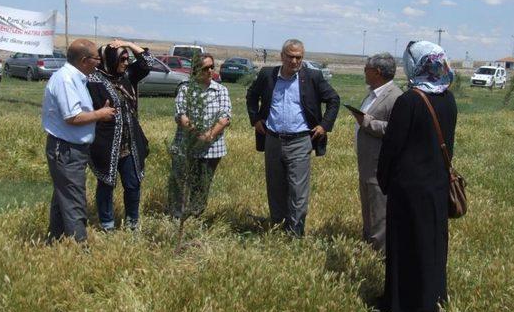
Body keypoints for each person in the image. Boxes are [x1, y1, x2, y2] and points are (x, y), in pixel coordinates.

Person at [376, 40, 457, 312]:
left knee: (404, 247)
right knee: (432, 245)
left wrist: (383, 179)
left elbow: (392, 147)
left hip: (408, 188)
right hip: (436, 186)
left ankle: (400, 307)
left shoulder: (409, 100)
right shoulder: (448, 98)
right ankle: (431, 304)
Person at [246, 39, 340, 236]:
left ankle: (295, 233)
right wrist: (255, 119)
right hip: (273, 139)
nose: (294, 61)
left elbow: (333, 99)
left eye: (299, 57)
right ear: (282, 56)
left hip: (300, 140)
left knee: (298, 190)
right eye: (290, 56)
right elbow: (251, 96)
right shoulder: (267, 75)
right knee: (275, 187)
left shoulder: (313, 77)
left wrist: (324, 126)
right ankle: (278, 228)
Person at [41, 39, 116, 242]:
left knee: (63, 197)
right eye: (96, 59)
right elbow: (72, 117)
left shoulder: (76, 78)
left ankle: (53, 241)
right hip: (66, 150)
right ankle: (79, 248)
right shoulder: (66, 80)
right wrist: (101, 114)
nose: (98, 63)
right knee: (74, 200)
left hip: (72, 149)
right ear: (84, 60)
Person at [87, 40, 154, 231]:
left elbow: (148, 63)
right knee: (106, 185)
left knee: (133, 184)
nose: (126, 62)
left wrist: (128, 44)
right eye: (122, 59)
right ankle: (107, 225)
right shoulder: (93, 81)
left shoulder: (128, 76)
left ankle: (132, 223)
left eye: (127, 58)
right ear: (109, 60)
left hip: (130, 143)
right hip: (105, 145)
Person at [167, 53, 232, 218]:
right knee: (179, 183)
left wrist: (209, 135)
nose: (210, 71)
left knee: (202, 184)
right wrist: (197, 134)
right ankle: (177, 216)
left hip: (212, 149)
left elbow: (225, 117)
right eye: (205, 68)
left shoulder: (221, 90)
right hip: (185, 146)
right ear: (196, 70)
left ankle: (195, 215)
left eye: (212, 67)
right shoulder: (185, 89)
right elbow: (180, 115)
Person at [350, 53, 402, 252]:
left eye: (366, 69)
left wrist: (367, 122)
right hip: (366, 163)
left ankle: (380, 252)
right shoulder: (373, 93)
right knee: (368, 206)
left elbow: (396, 129)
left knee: (379, 209)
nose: (364, 72)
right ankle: (368, 244)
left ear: (377, 72)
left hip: (379, 164)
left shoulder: (395, 96)